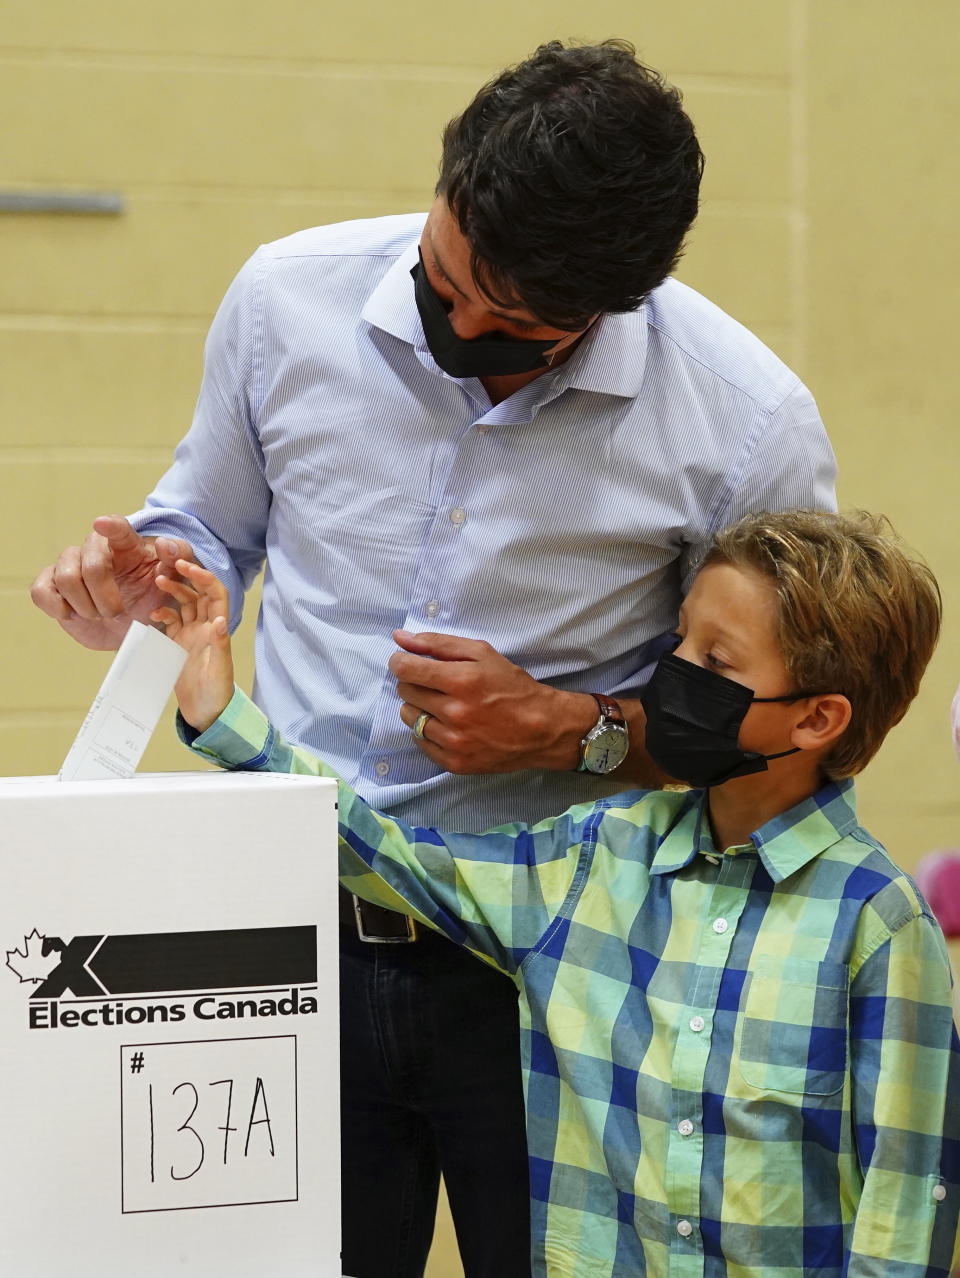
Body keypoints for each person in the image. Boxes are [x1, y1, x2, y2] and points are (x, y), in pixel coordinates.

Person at [30, 40, 837, 1278]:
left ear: (617, 306)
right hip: (273, 934)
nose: (458, 328)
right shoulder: (284, 297)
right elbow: (209, 526)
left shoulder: (745, 424)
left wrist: (573, 729)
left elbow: (774, 732)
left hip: (559, 965)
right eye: (439, 281)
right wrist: (141, 579)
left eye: (509, 330)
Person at [155, 507, 959, 1278]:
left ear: (816, 720)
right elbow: (390, 856)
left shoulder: (878, 923)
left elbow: (904, 1204)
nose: (676, 671)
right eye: (681, 638)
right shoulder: (593, 857)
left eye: (716, 662)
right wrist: (226, 719)